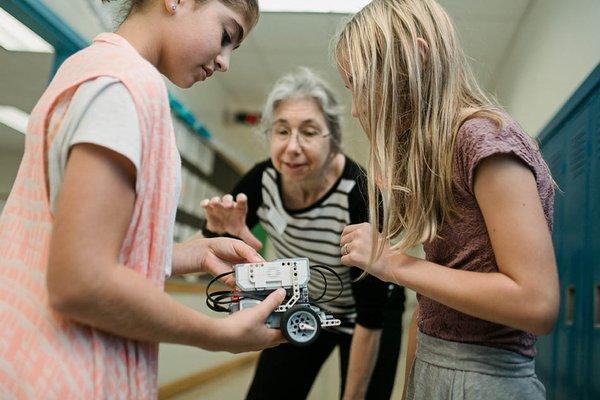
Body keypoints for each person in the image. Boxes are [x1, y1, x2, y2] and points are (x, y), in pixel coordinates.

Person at [0, 1, 288, 398]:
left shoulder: (89, 68)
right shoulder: (125, 87)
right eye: (226, 35)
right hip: (70, 377)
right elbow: (80, 281)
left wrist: (186, 254)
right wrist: (217, 333)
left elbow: (70, 245)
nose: (225, 62)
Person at [334, 1, 559, 399]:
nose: (357, 109)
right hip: (433, 364)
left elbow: (536, 303)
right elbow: (431, 305)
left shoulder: (483, 139)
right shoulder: (439, 152)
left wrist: (392, 261)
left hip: (487, 379)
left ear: (418, 61)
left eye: (362, 86)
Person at [200, 67, 405, 400]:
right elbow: (213, 243)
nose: (292, 147)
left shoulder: (359, 192)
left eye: (309, 132)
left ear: (333, 138)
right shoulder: (262, 180)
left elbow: (372, 310)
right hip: (305, 303)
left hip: (369, 314)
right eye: (282, 131)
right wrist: (225, 233)